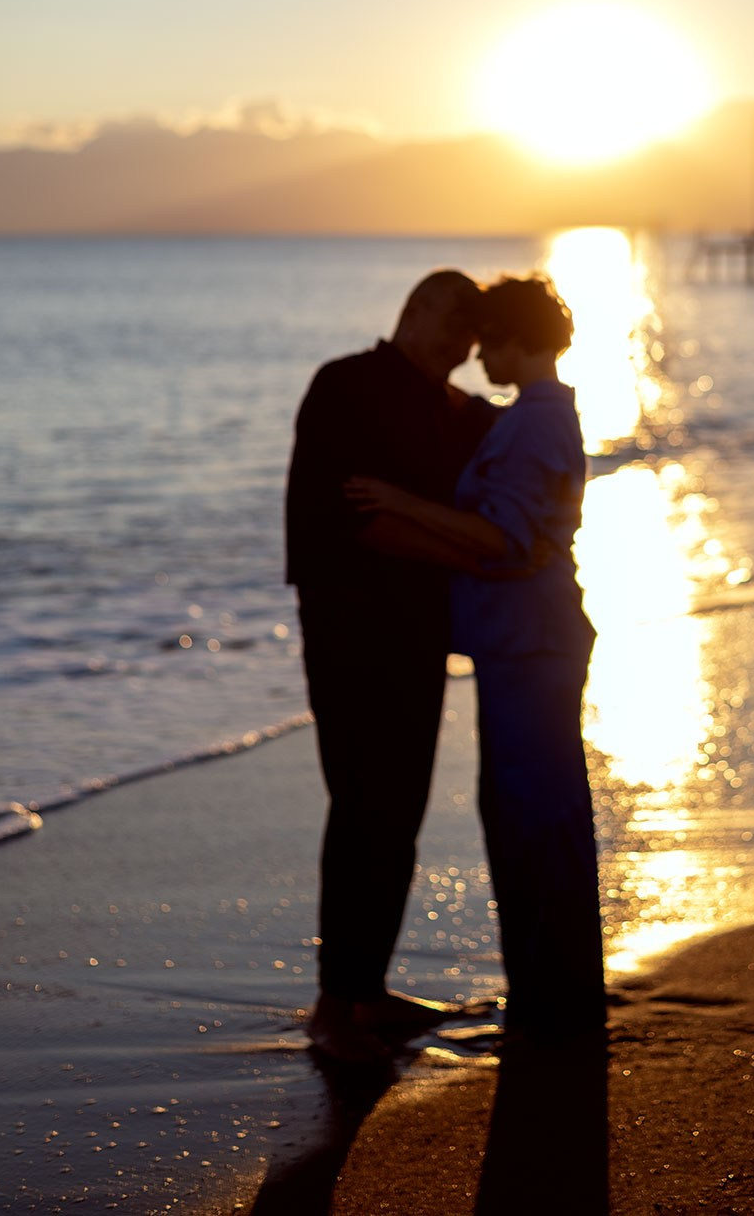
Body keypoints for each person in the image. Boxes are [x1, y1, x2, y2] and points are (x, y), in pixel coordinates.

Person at [346, 274, 605, 1043]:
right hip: (523, 639)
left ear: (519, 341)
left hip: (531, 642)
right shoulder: (540, 416)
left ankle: (555, 1003)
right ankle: (552, 996)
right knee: (531, 813)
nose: (477, 355)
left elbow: (511, 538)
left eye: (489, 340)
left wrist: (399, 503)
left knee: (536, 816)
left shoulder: (534, 423)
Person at [285, 269, 497, 1062]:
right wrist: (478, 556)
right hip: (346, 626)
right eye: (448, 321)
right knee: (362, 802)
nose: (459, 340)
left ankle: (367, 990)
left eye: (471, 332)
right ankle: (334, 1005)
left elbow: (518, 460)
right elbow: (358, 522)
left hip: (419, 630)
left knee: (401, 808)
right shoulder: (346, 385)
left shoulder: (461, 412)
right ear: (412, 312)